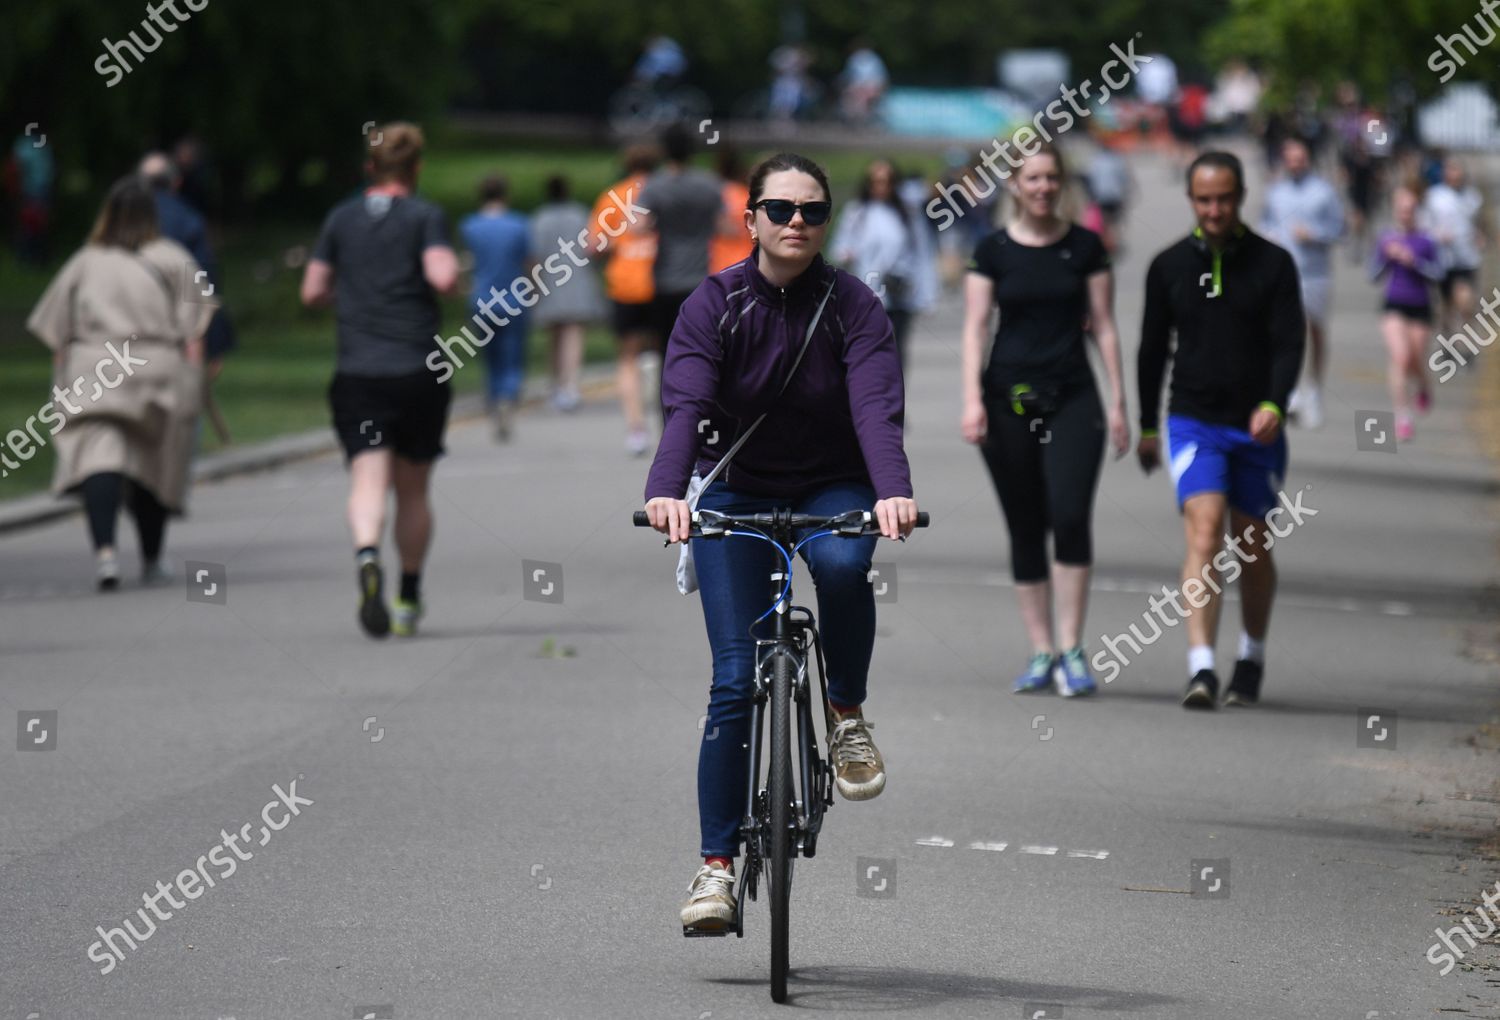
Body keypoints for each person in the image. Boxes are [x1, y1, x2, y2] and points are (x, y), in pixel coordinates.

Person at [642, 153, 919, 932]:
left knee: (839, 564)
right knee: (734, 680)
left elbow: (875, 410)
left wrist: (892, 490)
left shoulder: (855, 305)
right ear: (751, 218)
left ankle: (847, 713)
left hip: (834, 484)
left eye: (813, 212)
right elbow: (688, 404)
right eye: (781, 208)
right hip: (738, 488)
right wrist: (666, 489)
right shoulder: (714, 303)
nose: (797, 222)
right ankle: (716, 871)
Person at [1138, 151, 1305, 709]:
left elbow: (1288, 344)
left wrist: (1275, 404)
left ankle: (1251, 655)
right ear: (1191, 200)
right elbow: (1152, 350)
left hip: (1255, 427)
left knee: (1252, 544)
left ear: (1240, 197)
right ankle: (1201, 667)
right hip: (1193, 421)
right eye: (1204, 199)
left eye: (1224, 198)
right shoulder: (1167, 267)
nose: (1214, 209)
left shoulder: (1274, 264)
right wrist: (1145, 425)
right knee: (1205, 530)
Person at [960, 144, 1128, 697]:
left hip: (1074, 397)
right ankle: (1041, 650)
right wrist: (971, 400)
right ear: (1014, 184)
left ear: (1062, 184)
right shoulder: (992, 250)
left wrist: (1119, 402)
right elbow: (975, 327)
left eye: (1052, 177)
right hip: (1006, 399)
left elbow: (1103, 325)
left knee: (1071, 513)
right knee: (1026, 523)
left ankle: (1073, 649)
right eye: (1032, 178)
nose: (1043, 187)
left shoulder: (1084, 246)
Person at [300, 122, 459, 638]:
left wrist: (349, 295)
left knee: (368, 478)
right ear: (415, 169)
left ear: (370, 169)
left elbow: (311, 290)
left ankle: (367, 553)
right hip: (417, 372)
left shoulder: (340, 219)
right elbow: (443, 278)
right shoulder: (425, 216)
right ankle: (408, 595)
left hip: (359, 373)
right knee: (413, 489)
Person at [26, 175, 214, 588]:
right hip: (155, 365)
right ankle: (150, 558)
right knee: (153, 463)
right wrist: (194, 382)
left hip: (94, 367)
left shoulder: (83, 262)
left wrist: (63, 381)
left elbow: (58, 331)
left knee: (99, 458)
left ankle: (106, 555)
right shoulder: (174, 257)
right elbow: (196, 330)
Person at [1260, 137, 1344, 429]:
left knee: (1315, 332)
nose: (1295, 164)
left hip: (1315, 273)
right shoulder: (1276, 191)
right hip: (1283, 273)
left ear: (1308, 160)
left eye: (1300, 159)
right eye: (1290, 159)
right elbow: (1265, 223)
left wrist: (1315, 234)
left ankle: (1315, 390)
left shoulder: (1324, 192)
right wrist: (1267, 237)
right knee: (1286, 332)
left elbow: (1338, 229)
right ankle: (1289, 391)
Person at [139, 152, 237, 384]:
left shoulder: (119, 223)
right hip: (176, 337)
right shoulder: (189, 220)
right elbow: (204, 280)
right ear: (176, 182)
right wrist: (214, 341)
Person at [591, 145, 661, 456]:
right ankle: (668, 426)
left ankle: (636, 429)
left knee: (628, 358)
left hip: (626, 285)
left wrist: (619, 241)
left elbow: (594, 244)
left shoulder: (615, 196)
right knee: (669, 356)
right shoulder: (665, 192)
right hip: (663, 282)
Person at [640, 122, 722, 363]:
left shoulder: (655, 185)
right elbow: (724, 225)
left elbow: (640, 225)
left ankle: (667, 398)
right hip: (699, 274)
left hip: (665, 276)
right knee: (698, 345)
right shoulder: (709, 184)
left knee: (666, 345)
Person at [831, 159, 922, 372]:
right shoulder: (857, 212)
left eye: (887, 181)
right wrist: (847, 254)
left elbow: (919, 253)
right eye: (876, 181)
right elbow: (839, 246)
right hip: (866, 293)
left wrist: (924, 292)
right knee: (866, 349)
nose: (881, 186)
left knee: (896, 349)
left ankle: (894, 399)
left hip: (898, 293)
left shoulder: (905, 213)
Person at [459, 174, 531, 440]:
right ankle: (508, 399)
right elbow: (529, 261)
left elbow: (467, 262)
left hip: (481, 300)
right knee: (512, 356)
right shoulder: (519, 224)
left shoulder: (470, 225)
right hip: (513, 299)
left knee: (491, 358)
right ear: (505, 195)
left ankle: (493, 398)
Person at [1372, 183, 1442, 441]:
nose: (1405, 214)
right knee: (1400, 357)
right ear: (1395, 210)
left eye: (1410, 210)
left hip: (1421, 306)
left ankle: (1423, 385)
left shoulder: (1426, 240)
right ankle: (1402, 415)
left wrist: (1415, 262)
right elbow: (1374, 274)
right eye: (1401, 209)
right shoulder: (1386, 238)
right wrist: (1388, 257)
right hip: (1394, 304)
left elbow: (1438, 273)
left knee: (1414, 359)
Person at [530, 175, 606, 413]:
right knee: (573, 337)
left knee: (554, 339)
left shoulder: (539, 219)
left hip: (550, 284)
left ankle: (555, 385)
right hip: (577, 283)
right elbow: (593, 247)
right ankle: (570, 386)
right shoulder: (581, 214)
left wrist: (533, 286)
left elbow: (535, 256)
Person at [1421, 156, 1487, 347]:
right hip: (1443, 259)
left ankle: (1467, 343)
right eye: (1451, 170)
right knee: (1446, 306)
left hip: (1466, 259)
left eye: (1458, 170)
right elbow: (1424, 225)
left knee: (1465, 301)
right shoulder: (1434, 196)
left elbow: (1480, 224)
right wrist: (1436, 235)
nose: (1454, 174)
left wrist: (1480, 237)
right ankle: (1448, 340)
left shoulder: (1473, 197)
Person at [708, 146, 753, 275]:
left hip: (721, 263)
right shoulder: (747, 194)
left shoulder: (717, 194)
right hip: (746, 260)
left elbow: (724, 228)